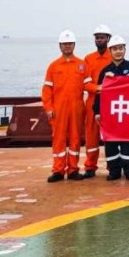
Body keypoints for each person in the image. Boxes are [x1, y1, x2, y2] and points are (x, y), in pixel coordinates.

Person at [43, 30, 88, 183]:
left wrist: (101, 88)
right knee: (58, 139)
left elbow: (88, 85)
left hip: (76, 109)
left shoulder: (82, 65)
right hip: (58, 109)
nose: (67, 46)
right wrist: (49, 108)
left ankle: (73, 169)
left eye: (69, 44)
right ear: (60, 46)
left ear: (74, 45)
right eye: (64, 44)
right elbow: (47, 89)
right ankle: (58, 170)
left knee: (75, 139)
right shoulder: (53, 66)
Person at [94, 36, 129, 181]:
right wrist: (97, 111)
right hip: (110, 114)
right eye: (115, 49)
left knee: (128, 142)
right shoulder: (105, 71)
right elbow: (99, 92)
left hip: (128, 112)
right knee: (111, 142)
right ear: (110, 51)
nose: (118, 51)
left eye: (120, 48)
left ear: (125, 49)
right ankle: (114, 171)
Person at [79, 24, 113, 179]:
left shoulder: (113, 56)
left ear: (108, 39)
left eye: (102, 37)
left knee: (111, 136)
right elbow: (84, 83)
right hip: (93, 102)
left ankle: (113, 166)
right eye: (97, 37)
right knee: (91, 136)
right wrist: (98, 88)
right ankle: (90, 166)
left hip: (110, 102)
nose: (99, 40)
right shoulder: (88, 59)